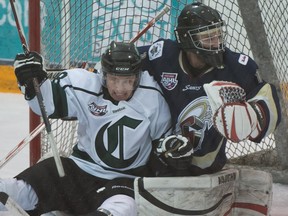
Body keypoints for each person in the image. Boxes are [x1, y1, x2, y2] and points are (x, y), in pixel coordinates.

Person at [0, 41, 174, 216]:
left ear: (137, 77)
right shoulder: (86, 84)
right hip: (78, 172)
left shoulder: (153, 98)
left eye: (128, 81)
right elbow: (48, 105)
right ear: (104, 75)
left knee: (124, 205)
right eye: (114, 80)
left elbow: (163, 145)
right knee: (20, 188)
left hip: (124, 181)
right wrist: (32, 81)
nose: (120, 89)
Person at [138, 2, 281, 177]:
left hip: (206, 167)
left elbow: (268, 103)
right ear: (187, 39)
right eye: (208, 38)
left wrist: (253, 117)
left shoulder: (237, 66)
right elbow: (128, 61)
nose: (217, 43)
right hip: (158, 158)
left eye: (219, 35)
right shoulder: (163, 54)